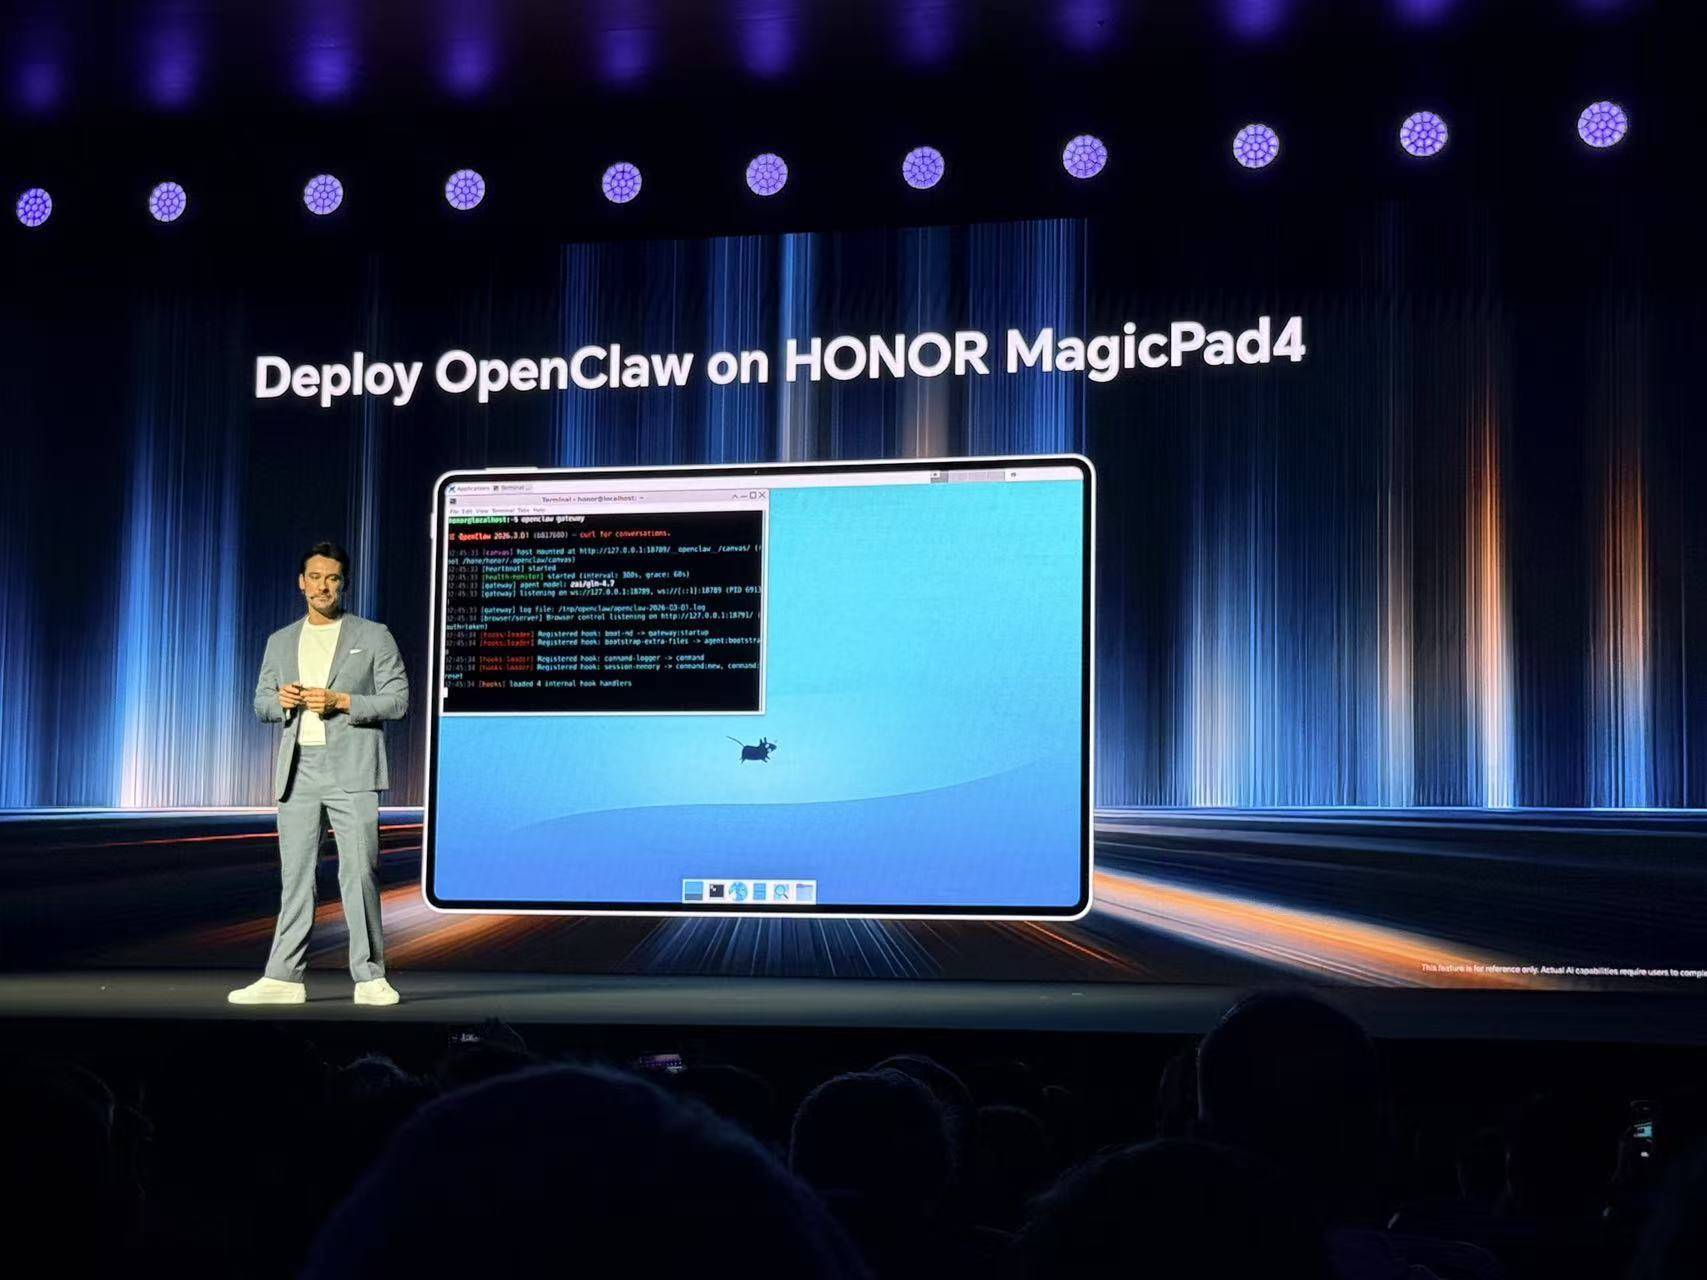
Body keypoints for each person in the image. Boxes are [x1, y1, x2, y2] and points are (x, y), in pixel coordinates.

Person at [229, 541, 408, 1007]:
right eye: (314, 577)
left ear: (343, 584)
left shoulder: (374, 635)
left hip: (353, 769)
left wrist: (342, 701)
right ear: (301, 583)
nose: (322, 586)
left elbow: (398, 700)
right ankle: (283, 978)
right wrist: (281, 701)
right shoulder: (280, 640)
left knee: (360, 874)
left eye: (332, 578)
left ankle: (369, 977)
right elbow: (260, 703)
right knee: (296, 877)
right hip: (298, 771)